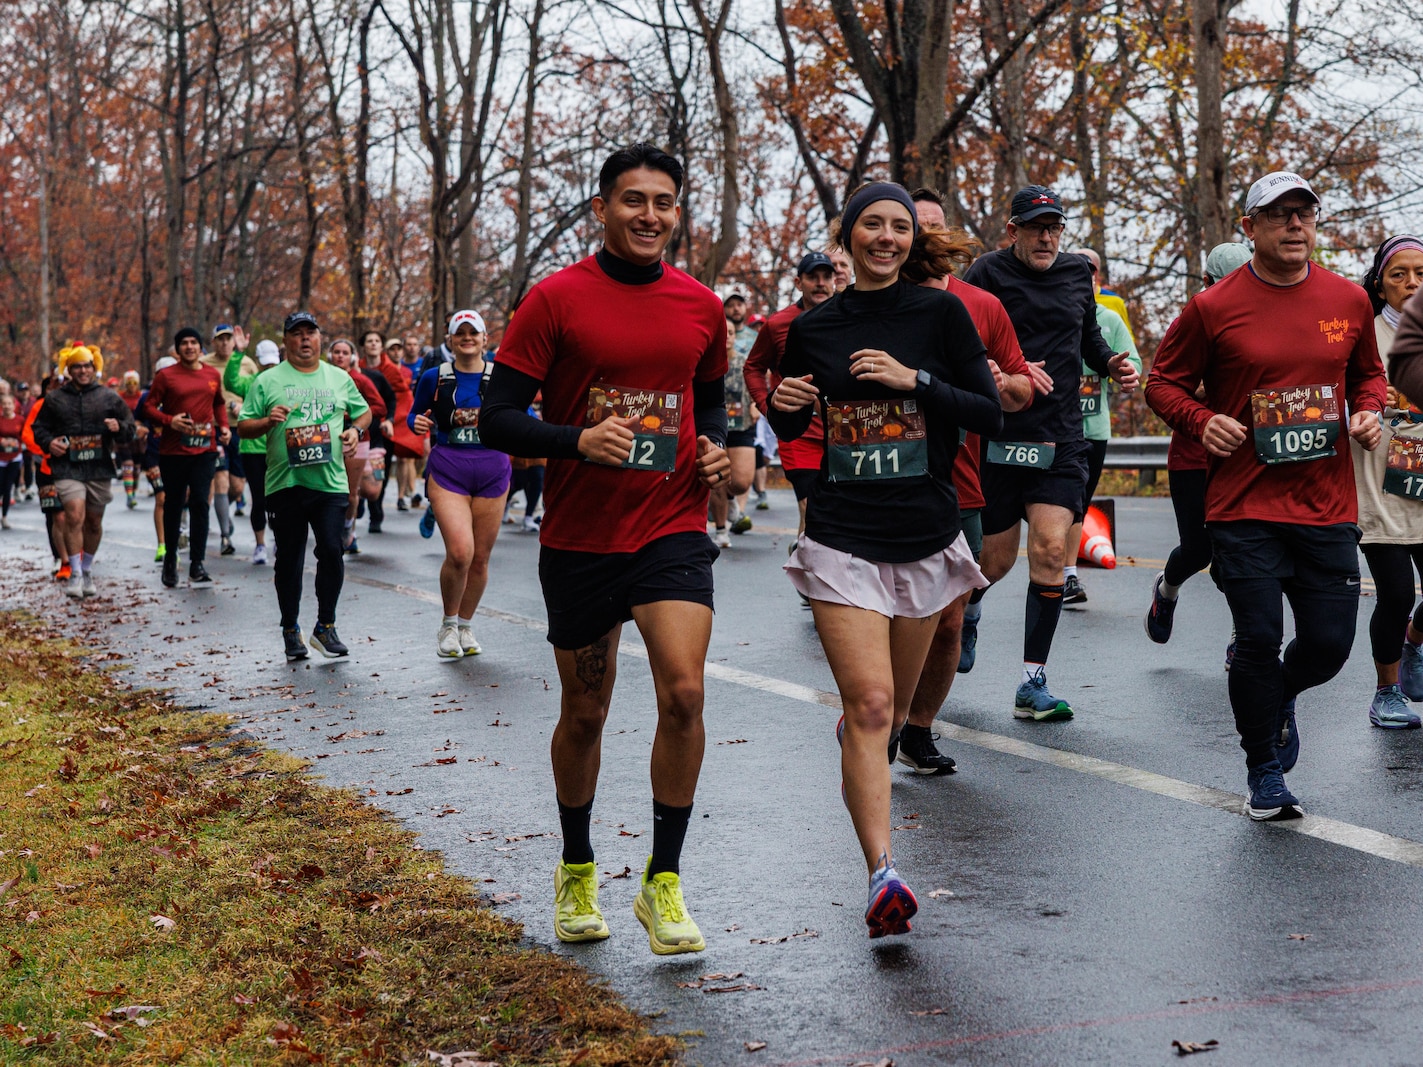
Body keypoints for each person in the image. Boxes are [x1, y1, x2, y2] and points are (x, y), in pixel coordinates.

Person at [480, 143, 730, 956]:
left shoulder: (702, 306)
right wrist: (577, 440)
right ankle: (577, 864)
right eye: (633, 200)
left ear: (676, 212)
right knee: (585, 711)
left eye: (663, 202)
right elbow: (498, 417)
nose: (649, 215)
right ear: (601, 207)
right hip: (581, 535)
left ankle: (664, 880)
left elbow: (707, 401)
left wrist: (715, 449)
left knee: (683, 692)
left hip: (672, 522)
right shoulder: (555, 299)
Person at [768, 181, 1002, 936]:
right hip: (842, 534)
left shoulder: (941, 315)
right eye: (871, 224)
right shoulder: (815, 326)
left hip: (924, 533)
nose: (886, 237)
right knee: (870, 705)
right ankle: (882, 873)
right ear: (848, 236)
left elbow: (989, 411)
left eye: (899, 227)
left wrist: (915, 381)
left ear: (911, 240)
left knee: (893, 711)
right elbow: (792, 422)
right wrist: (782, 408)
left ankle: (871, 743)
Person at [1146, 171, 1386, 820]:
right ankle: (1263, 770)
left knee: (1329, 646)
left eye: (1304, 212)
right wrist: (1201, 421)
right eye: (1278, 214)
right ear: (1249, 228)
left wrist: (1368, 411)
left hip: (1325, 505)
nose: (1294, 224)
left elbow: (1367, 375)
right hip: (1243, 505)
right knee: (1255, 638)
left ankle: (1277, 694)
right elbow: (1162, 383)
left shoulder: (1348, 300)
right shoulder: (1213, 307)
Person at [960, 186, 1139, 721]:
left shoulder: (1076, 274)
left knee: (1050, 548)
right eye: (1036, 227)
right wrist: (990, 370)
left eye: (1055, 227)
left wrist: (1110, 363)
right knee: (993, 562)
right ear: (1012, 231)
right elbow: (958, 338)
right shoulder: (985, 273)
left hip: (1060, 437)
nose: (1046, 237)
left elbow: (1088, 338)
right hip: (997, 435)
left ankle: (1031, 682)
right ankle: (967, 611)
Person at [900, 187, 1038, 774]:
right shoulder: (873, 301)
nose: (924, 238)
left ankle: (917, 729)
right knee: (892, 619)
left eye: (934, 227)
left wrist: (1000, 383)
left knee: (950, 618)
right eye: (913, 227)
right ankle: (876, 710)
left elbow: (1022, 388)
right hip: (883, 484)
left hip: (959, 487)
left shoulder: (982, 305)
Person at [237, 312, 371, 660]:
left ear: (320, 338)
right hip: (285, 482)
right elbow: (244, 427)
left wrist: (355, 431)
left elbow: (364, 412)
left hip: (330, 481)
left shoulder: (338, 377)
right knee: (289, 559)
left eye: (310, 332)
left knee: (332, 549)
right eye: (297, 334)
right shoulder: (267, 380)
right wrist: (268, 421)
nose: (305, 339)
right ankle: (290, 628)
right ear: (286, 341)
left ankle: (326, 626)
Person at [1145, 242, 1253, 650]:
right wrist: (1202, 390)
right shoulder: (1190, 321)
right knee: (1197, 550)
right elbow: (1162, 385)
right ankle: (1166, 591)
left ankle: (1244, 638)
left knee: (1241, 554)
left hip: (1244, 454)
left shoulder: (1261, 320)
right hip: (1193, 454)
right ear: (1207, 282)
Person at [1348, 235, 1423, 728]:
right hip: (1379, 485)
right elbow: (1334, 401)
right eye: (1399, 274)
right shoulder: (1363, 335)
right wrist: (1367, 410)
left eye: (1421, 273)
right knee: (1396, 594)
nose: (1412, 283)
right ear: (1380, 285)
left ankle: (1413, 643)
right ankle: (1386, 692)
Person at [409, 309, 511, 657]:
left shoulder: (500, 376)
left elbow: (521, 412)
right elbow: (414, 412)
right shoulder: (435, 377)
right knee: (460, 552)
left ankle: (466, 626)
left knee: (480, 558)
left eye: (473, 332)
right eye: (460, 333)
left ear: (485, 339)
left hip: (493, 470)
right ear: (450, 340)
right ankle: (448, 625)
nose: (467, 338)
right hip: (449, 468)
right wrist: (416, 423)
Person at [1061, 248, 1142, 605]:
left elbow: (1133, 360)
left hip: (1094, 427)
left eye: (1090, 270)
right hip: (1054, 426)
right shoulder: (1051, 310)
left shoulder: (1109, 319)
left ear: (1097, 277)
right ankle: (1063, 572)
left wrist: (1125, 370)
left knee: (1079, 501)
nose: (1085, 275)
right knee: (1061, 502)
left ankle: (1066, 574)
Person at [743, 252, 838, 537]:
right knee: (810, 507)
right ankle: (809, 559)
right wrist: (768, 407)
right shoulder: (777, 324)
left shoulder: (848, 318)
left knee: (834, 511)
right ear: (798, 282)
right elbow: (753, 367)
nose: (820, 283)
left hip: (841, 430)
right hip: (799, 435)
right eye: (812, 277)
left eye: (827, 277)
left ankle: (804, 554)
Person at [30, 344, 137, 597]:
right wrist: (49, 443)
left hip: (99, 467)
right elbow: (38, 428)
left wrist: (119, 427)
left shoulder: (108, 397)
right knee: (74, 515)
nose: (82, 371)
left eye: (87, 366)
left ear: (94, 367)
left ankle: (87, 568)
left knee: (94, 522)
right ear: (69, 370)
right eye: (77, 366)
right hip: (67, 466)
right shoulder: (55, 399)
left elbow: (130, 428)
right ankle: (75, 573)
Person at [142, 328, 230, 587]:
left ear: (201, 347)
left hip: (205, 448)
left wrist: (224, 427)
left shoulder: (211, 374)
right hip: (174, 451)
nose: (190, 347)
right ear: (177, 349)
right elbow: (148, 407)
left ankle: (197, 563)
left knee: (201, 502)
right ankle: (170, 558)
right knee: (174, 504)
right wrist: (170, 420)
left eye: (194, 342)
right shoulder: (166, 376)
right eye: (184, 343)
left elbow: (219, 403)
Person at [326, 338, 389, 554]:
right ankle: (329, 531)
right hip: (326, 439)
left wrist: (352, 414)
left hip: (358, 439)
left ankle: (347, 529)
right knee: (328, 490)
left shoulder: (360, 380)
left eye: (345, 352)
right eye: (337, 352)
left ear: (352, 357)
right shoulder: (322, 379)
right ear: (330, 355)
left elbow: (380, 407)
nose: (340, 356)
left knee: (351, 492)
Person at [224, 338, 283, 564]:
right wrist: (238, 353)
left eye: (273, 363)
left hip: (279, 447)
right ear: (258, 361)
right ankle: (260, 545)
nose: (269, 367)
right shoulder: (252, 382)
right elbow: (230, 381)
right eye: (266, 363)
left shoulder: (286, 381)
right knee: (259, 499)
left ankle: (279, 539)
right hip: (252, 448)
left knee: (279, 499)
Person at [711, 292, 758, 544]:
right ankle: (721, 531)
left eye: (731, 333)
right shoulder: (707, 361)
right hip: (714, 424)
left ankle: (731, 498)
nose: (727, 337)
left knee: (740, 482)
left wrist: (757, 406)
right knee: (717, 477)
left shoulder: (744, 361)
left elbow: (757, 384)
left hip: (741, 424)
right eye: (723, 332)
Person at [0, 393, 24, 528]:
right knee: (1, 486)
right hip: (1, 457)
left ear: (14, 406)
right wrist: (2, 440)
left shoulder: (20, 420)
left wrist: (16, 442)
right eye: (4, 404)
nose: (7, 406)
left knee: (8, 487)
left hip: (15, 457)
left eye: (9, 404)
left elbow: (24, 435)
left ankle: (4, 517)